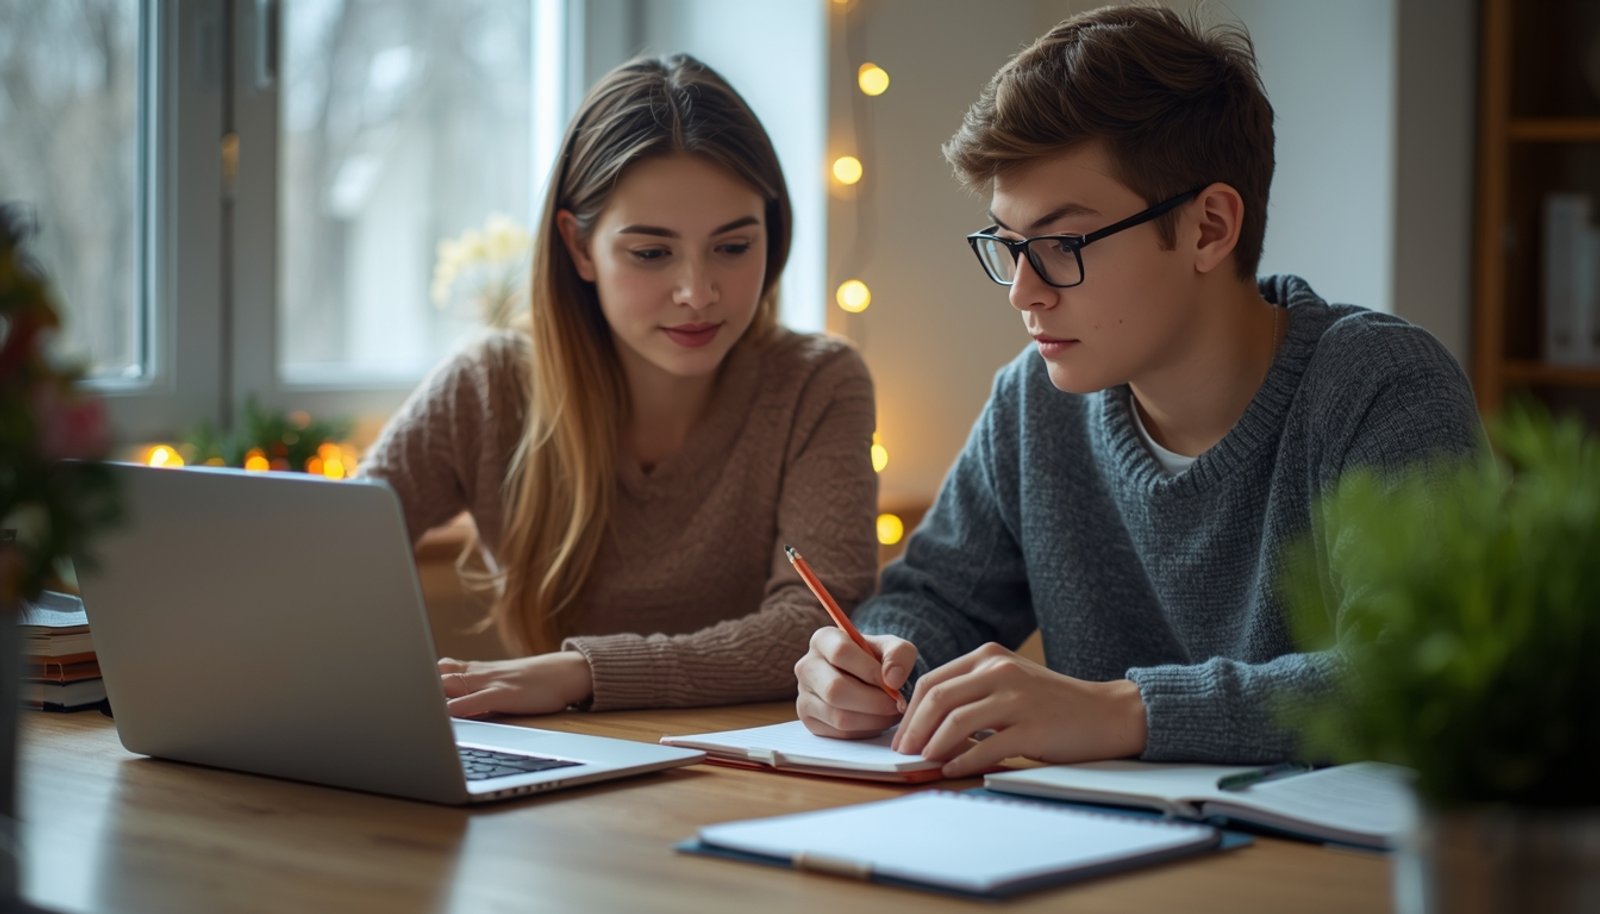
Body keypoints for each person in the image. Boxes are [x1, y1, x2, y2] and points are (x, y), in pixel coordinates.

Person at [793, 5, 1482, 775]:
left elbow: (1416, 677)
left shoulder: (1382, 388)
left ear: (1209, 228)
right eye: (1007, 245)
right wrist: (871, 664)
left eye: (1058, 245)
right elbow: (931, 602)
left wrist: (1125, 711)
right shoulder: (1034, 402)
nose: (1023, 292)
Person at [361, 54, 879, 716]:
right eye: (651, 253)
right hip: (560, 770)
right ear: (579, 247)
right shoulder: (487, 388)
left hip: (761, 778)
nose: (698, 292)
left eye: (733, 246)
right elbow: (332, 560)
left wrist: (582, 673)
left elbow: (814, 630)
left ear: (771, 236)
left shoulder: (818, 383)